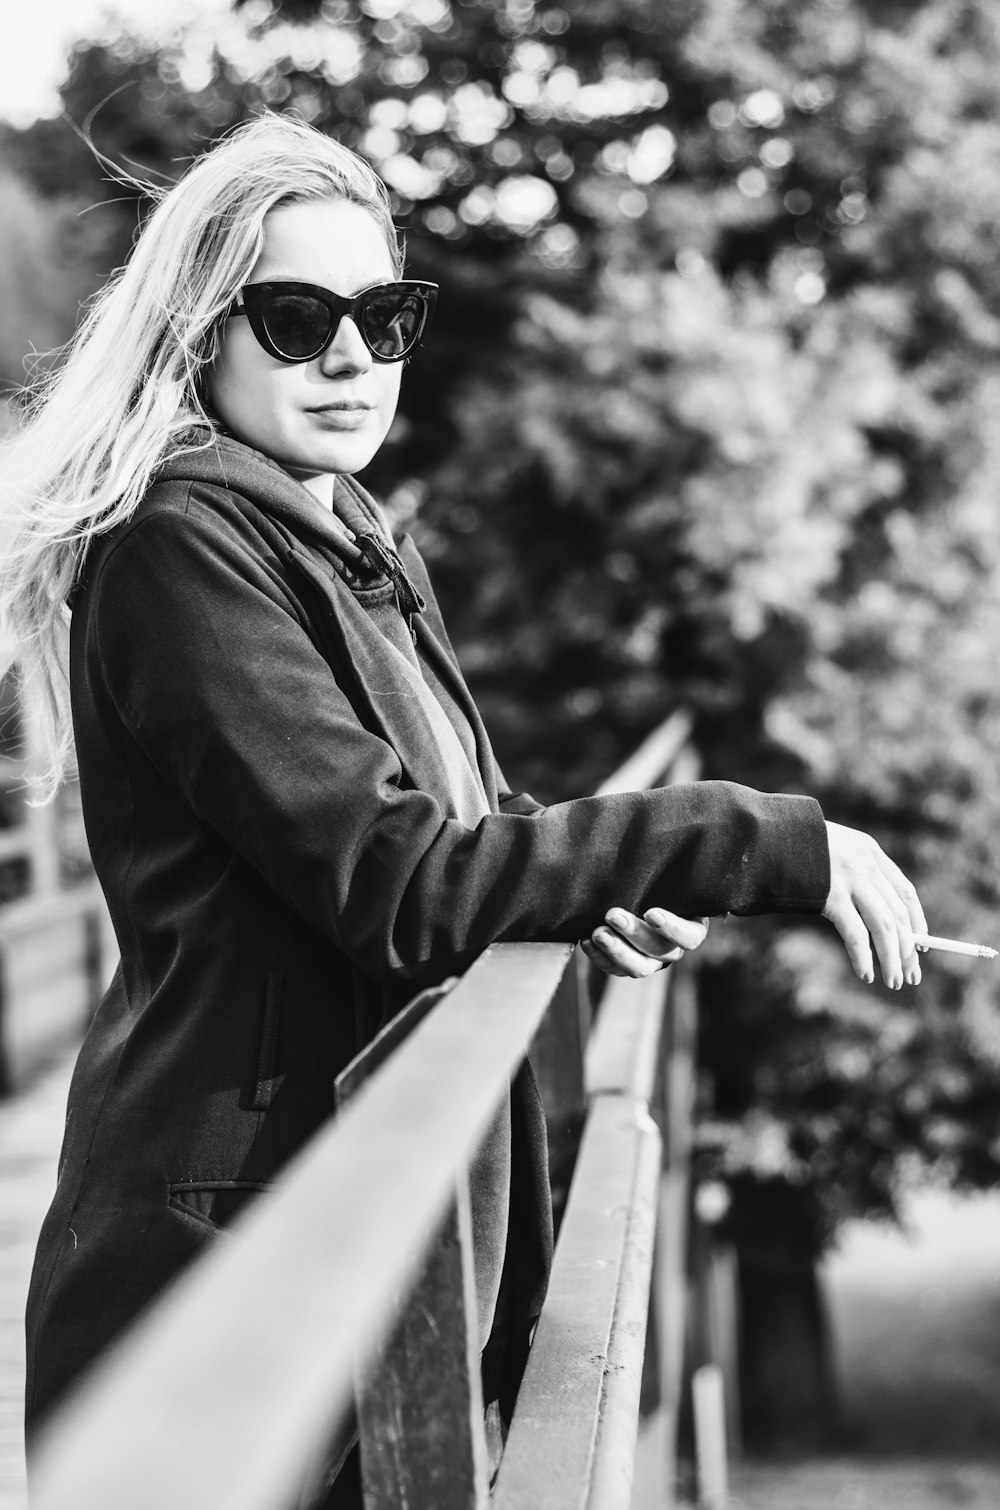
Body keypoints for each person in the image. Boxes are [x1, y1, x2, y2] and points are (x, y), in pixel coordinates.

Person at [0, 113, 925, 1502]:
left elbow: (459, 807)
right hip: (226, 1261)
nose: (354, 358)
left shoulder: (342, 525)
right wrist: (760, 841)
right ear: (205, 332)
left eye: (384, 314)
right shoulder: (182, 544)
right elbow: (402, 877)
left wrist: (581, 885)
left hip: (338, 1224)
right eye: (298, 318)